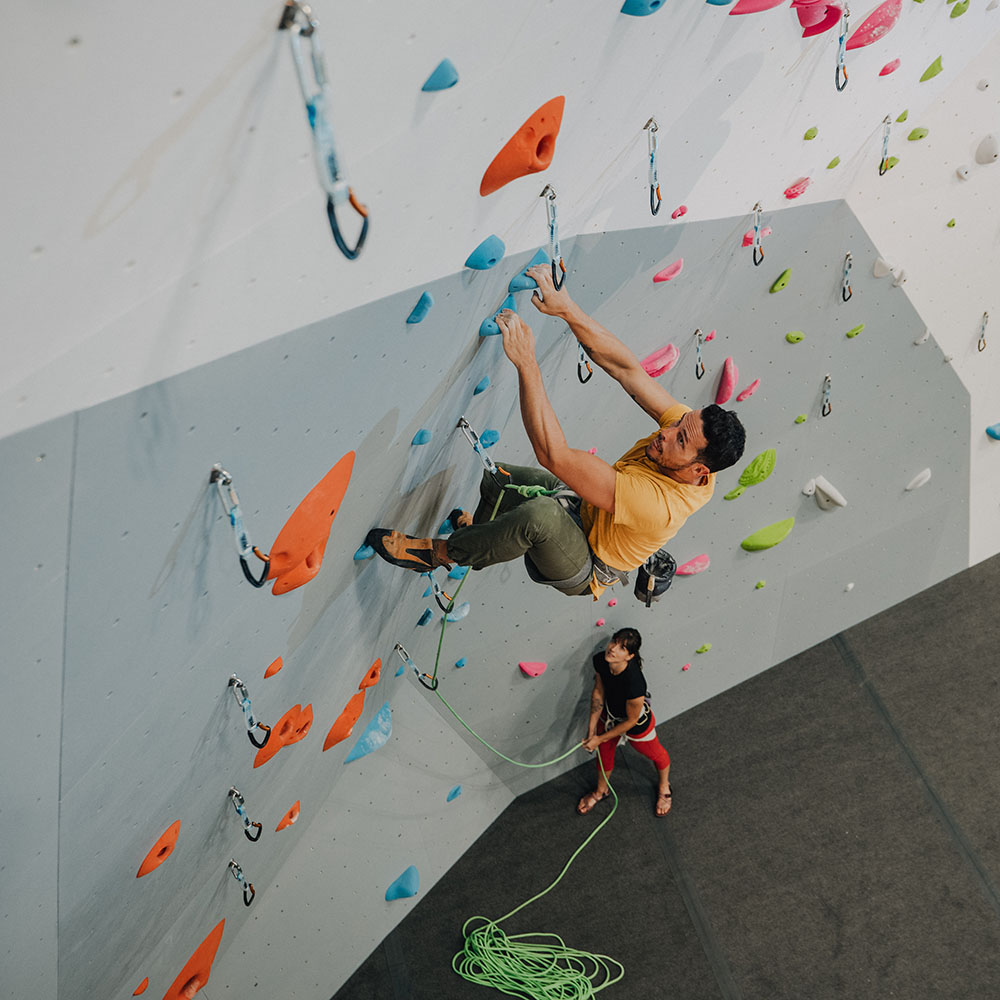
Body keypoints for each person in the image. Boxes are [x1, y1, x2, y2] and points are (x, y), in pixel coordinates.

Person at [367, 263, 745, 599]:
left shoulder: (660, 506)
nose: (668, 430)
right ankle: (478, 537)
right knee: (499, 480)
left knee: (540, 516)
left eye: (680, 438)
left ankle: (435, 554)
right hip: (587, 513)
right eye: (679, 422)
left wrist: (526, 362)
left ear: (699, 470)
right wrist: (568, 309)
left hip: (586, 565)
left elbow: (554, 455)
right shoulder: (689, 433)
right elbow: (627, 369)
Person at [578, 628, 672, 817]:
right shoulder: (601, 660)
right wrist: (592, 732)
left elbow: (631, 721)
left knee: (655, 753)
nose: (613, 648)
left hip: (636, 723)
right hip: (611, 714)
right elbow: (598, 692)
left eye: (622, 648)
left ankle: (664, 786)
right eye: (614, 641)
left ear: (629, 656)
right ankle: (601, 791)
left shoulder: (634, 682)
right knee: (603, 755)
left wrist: (600, 738)